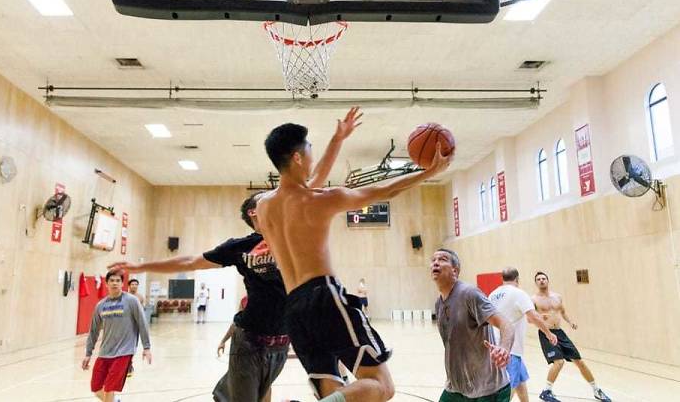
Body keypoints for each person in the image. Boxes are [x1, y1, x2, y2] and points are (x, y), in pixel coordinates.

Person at [108, 107, 363, 402]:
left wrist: (338, 138)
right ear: (255, 212)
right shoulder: (241, 247)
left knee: (264, 394)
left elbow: (315, 178)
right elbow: (190, 261)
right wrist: (141, 266)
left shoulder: (293, 233)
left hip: (282, 341)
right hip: (250, 339)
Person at [256, 110, 452, 402]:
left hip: (294, 308)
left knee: (334, 392)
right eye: (309, 148)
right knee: (382, 386)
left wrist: (338, 139)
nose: (312, 155)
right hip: (324, 297)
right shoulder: (320, 200)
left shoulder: (264, 206)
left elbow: (305, 184)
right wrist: (428, 173)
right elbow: (384, 190)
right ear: (297, 157)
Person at [430, 248, 514, 402]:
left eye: (442, 259)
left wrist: (504, 348)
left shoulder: (469, 294)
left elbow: (505, 324)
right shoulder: (439, 303)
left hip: (488, 391)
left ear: (455, 271)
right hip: (456, 389)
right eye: (433, 260)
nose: (435, 263)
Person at [532, 272, 611, 402]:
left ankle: (596, 390)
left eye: (543, 278)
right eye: (538, 279)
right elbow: (530, 319)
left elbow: (562, 312)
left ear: (548, 280)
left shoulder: (557, 297)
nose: (541, 281)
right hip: (546, 333)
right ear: (536, 283)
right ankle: (546, 391)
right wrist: (540, 317)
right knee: (559, 362)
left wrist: (570, 322)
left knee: (579, 362)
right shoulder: (533, 299)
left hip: (560, 333)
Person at [489, 268, 558, 402]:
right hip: (510, 350)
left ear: (502, 279)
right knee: (509, 389)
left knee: (520, 382)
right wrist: (549, 333)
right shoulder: (519, 293)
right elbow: (533, 317)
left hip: (500, 348)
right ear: (517, 279)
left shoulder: (492, 295)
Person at [82, 271, 151, 402]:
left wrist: (146, 347)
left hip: (124, 352)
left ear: (122, 283)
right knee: (96, 388)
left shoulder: (132, 301)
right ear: (106, 283)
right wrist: (88, 353)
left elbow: (142, 323)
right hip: (104, 352)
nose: (115, 283)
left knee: (109, 388)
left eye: (118, 280)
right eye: (112, 280)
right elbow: (94, 330)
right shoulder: (100, 305)